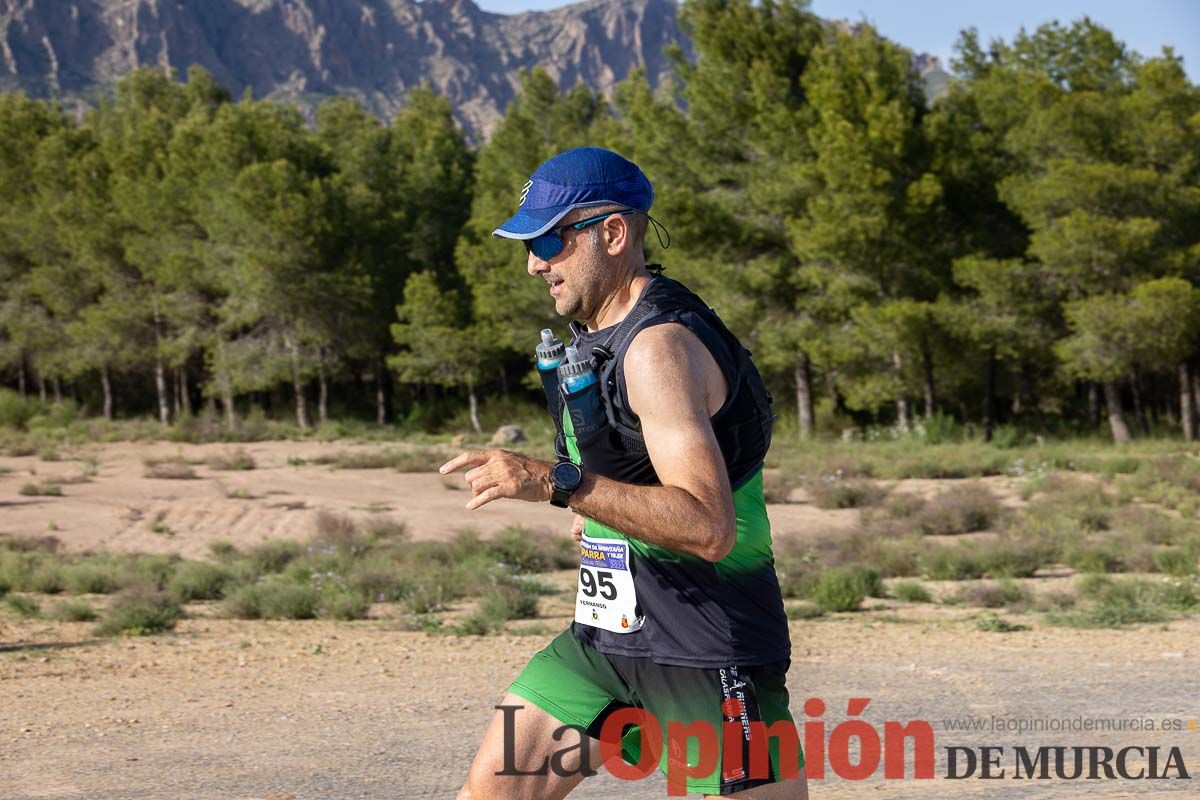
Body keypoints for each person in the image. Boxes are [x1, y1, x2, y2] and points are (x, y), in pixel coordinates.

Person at [441, 147, 807, 799]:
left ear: (612, 233)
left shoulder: (658, 349)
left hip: (705, 651)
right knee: (491, 791)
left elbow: (708, 527)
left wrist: (556, 483)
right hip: (609, 641)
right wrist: (597, 512)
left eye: (549, 239)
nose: (533, 263)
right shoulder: (596, 338)